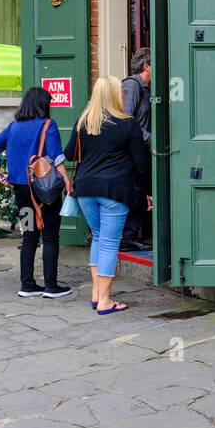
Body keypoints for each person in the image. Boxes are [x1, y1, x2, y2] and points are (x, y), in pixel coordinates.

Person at [64, 76, 150, 315]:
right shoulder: (127, 124)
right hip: (114, 190)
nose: (124, 94)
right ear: (113, 94)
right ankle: (105, 301)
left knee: (99, 238)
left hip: (85, 190)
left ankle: (96, 293)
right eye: (120, 91)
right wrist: (145, 192)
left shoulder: (83, 122)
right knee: (110, 243)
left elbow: (69, 154)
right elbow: (141, 164)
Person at [0, 86, 73, 298]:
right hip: (45, 192)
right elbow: (57, 158)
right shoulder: (48, 125)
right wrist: (68, 183)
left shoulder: (13, 127)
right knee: (50, 235)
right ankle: (51, 286)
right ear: (44, 104)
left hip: (22, 191)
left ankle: (27, 285)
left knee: (29, 236)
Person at [119, 47, 152, 252]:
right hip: (134, 150)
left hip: (142, 147)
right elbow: (127, 119)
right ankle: (126, 237)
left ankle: (128, 236)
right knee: (137, 193)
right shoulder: (131, 86)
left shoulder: (146, 89)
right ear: (146, 65)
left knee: (142, 193)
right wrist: (150, 138)